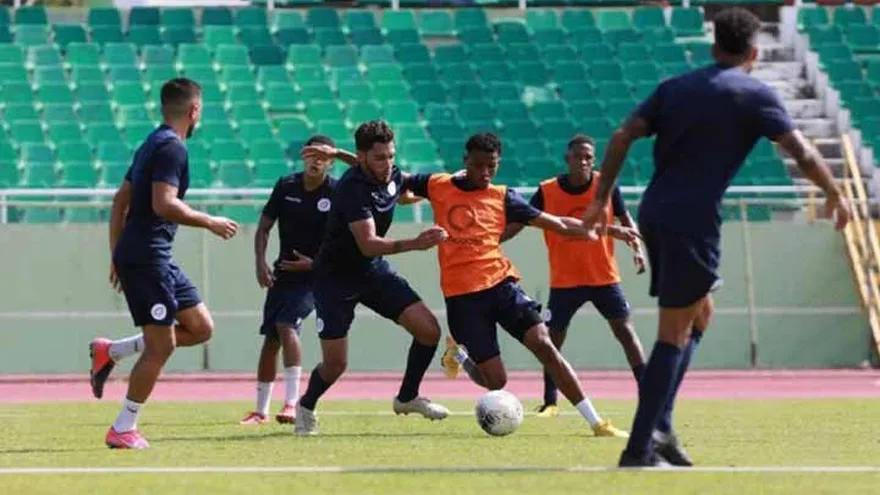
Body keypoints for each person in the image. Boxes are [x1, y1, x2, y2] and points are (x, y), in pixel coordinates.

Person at [580, 8, 851, 467]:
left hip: (656, 211)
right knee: (675, 330)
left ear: (713, 47)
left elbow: (624, 134)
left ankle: (660, 428)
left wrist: (597, 199)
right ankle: (640, 447)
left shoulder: (675, 88)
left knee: (700, 313)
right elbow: (802, 151)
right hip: (692, 219)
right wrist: (834, 192)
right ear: (754, 52)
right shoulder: (755, 94)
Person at [90, 78, 240, 449]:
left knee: (200, 327)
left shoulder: (150, 143)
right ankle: (123, 428)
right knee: (162, 346)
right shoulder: (172, 148)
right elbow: (163, 203)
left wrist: (116, 251)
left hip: (151, 255)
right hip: (147, 257)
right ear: (194, 111)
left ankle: (114, 351)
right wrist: (210, 221)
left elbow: (119, 201)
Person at [292, 120, 451, 436]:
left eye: (391, 155)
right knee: (335, 365)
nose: (388, 163)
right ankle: (305, 405)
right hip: (335, 280)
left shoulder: (389, 173)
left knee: (429, 331)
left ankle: (407, 398)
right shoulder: (351, 189)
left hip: (372, 273)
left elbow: (401, 187)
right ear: (362, 157)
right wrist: (415, 244)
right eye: (380, 157)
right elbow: (368, 243)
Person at [501, 134, 647, 418]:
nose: (582, 161)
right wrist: (490, 239)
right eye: (577, 156)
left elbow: (624, 218)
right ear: (567, 158)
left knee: (625, 332)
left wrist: (637, 248)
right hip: (565, 281)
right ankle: (550, 402)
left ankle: (648, 391)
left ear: (593, 161)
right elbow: (520, 221)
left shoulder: (605, 186)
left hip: (604, 277)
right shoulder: (547, 190)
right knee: (551, 340)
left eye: (588, 157)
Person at [239, 135, 339, 426]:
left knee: (286, 325)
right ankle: (260, 411)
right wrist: (260, 263)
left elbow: (344, 239)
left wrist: (316, 264)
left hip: (314, 277)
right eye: (311, 154)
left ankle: (293, 403)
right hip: (283, 273)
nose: (316, 160)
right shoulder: (286, 186)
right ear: (303, 156)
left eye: (323, 156)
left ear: (331, 162)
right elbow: (264, 228)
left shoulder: (336, 193)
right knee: (271, 337)